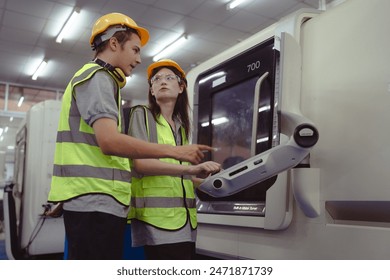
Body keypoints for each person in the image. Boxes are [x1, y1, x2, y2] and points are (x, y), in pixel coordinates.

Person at [47, 13, 213, 260]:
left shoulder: (104, 81)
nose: (138, 58)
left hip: (97, 199)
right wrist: (178, 154)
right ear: (114, 43)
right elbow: (110, 142)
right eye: (135, 50)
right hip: (96, 199)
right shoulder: (98, 77)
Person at [127, 59, 221, 260]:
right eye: (156, 79)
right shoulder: (142, 115)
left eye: (169, 78)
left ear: (181, 87)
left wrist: (204, 181)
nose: (162, 82)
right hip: (157, 219)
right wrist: (192, 170)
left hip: (185, 220)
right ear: (152, 91)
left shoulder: (181, 126)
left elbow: (177, 176)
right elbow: (142, 164)